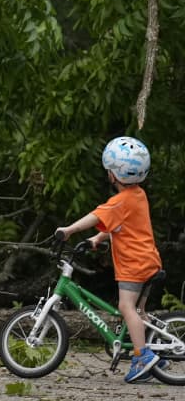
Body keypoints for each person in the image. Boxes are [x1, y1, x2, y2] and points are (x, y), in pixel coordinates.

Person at [56, 136, 162, 383]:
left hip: (133, 266)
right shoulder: (138, 195)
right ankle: (155, 353)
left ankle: (142, 356)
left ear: (113, 174)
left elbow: (96, 216)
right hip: (149, 261)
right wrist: (97, 239)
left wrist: (69, 230)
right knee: (139, 311)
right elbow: (118, 223)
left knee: (127, 308)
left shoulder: (119, 201)